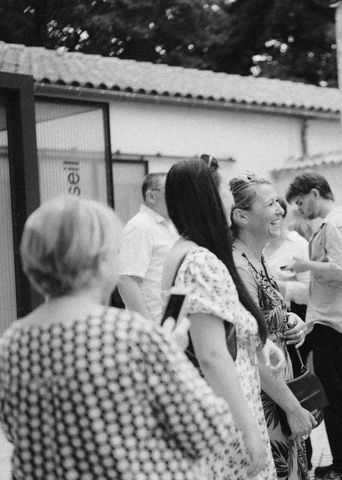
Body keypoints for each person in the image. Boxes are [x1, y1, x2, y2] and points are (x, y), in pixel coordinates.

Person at [0, 195, 240, 479]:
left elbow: (17, 431)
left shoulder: (11, 343)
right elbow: (209, 429)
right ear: (101, 262)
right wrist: (169, 353)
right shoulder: (131, 335)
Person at [161, 160, 276, 480]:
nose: (230, 198)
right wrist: (249, 430)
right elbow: (211, 355)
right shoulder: (201, 261)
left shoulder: (183, 250)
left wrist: (257, 344)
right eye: (225, 190)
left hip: (211, 413)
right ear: (207, 197)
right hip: (226, 420)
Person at [228, 173, 315, 480]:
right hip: (267, 396)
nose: (281, 209)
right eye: (270, 204)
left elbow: (268, 319)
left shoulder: (257, 258)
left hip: (281, 389)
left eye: (279, 202)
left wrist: (293, 322)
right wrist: (292, 407)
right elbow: (249, 348)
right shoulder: (239, 267)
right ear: (241, 215)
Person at [286, 172, 342, 480]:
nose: (298, 209)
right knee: (335, 399)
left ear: (315, 193)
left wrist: (304, 265)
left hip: (335, 323)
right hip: (332, 321)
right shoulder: (335, 224)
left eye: (300, 201)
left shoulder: (336, 224)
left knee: (341, 400)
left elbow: (341, 269)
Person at [118, 172, 179, 322]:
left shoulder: (170, 226)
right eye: (170, 190)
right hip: (153, 324)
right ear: (151, 196)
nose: (177, 196)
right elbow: (126, 280)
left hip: (170, 322)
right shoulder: (140, 226)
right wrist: (150, 327)